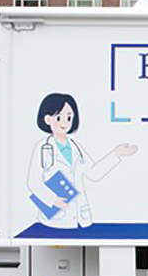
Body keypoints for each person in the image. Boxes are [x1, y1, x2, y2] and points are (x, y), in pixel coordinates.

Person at [26, 93, 138, 229]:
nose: (64, 123)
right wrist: (52, 200)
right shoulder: (42, 147)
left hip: (79, 216)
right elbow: (33, 182)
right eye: (59, 117)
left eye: (68, 118)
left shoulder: (76, 147)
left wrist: (116, 153)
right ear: (48, 119)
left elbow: (94, 173)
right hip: (54, 218)